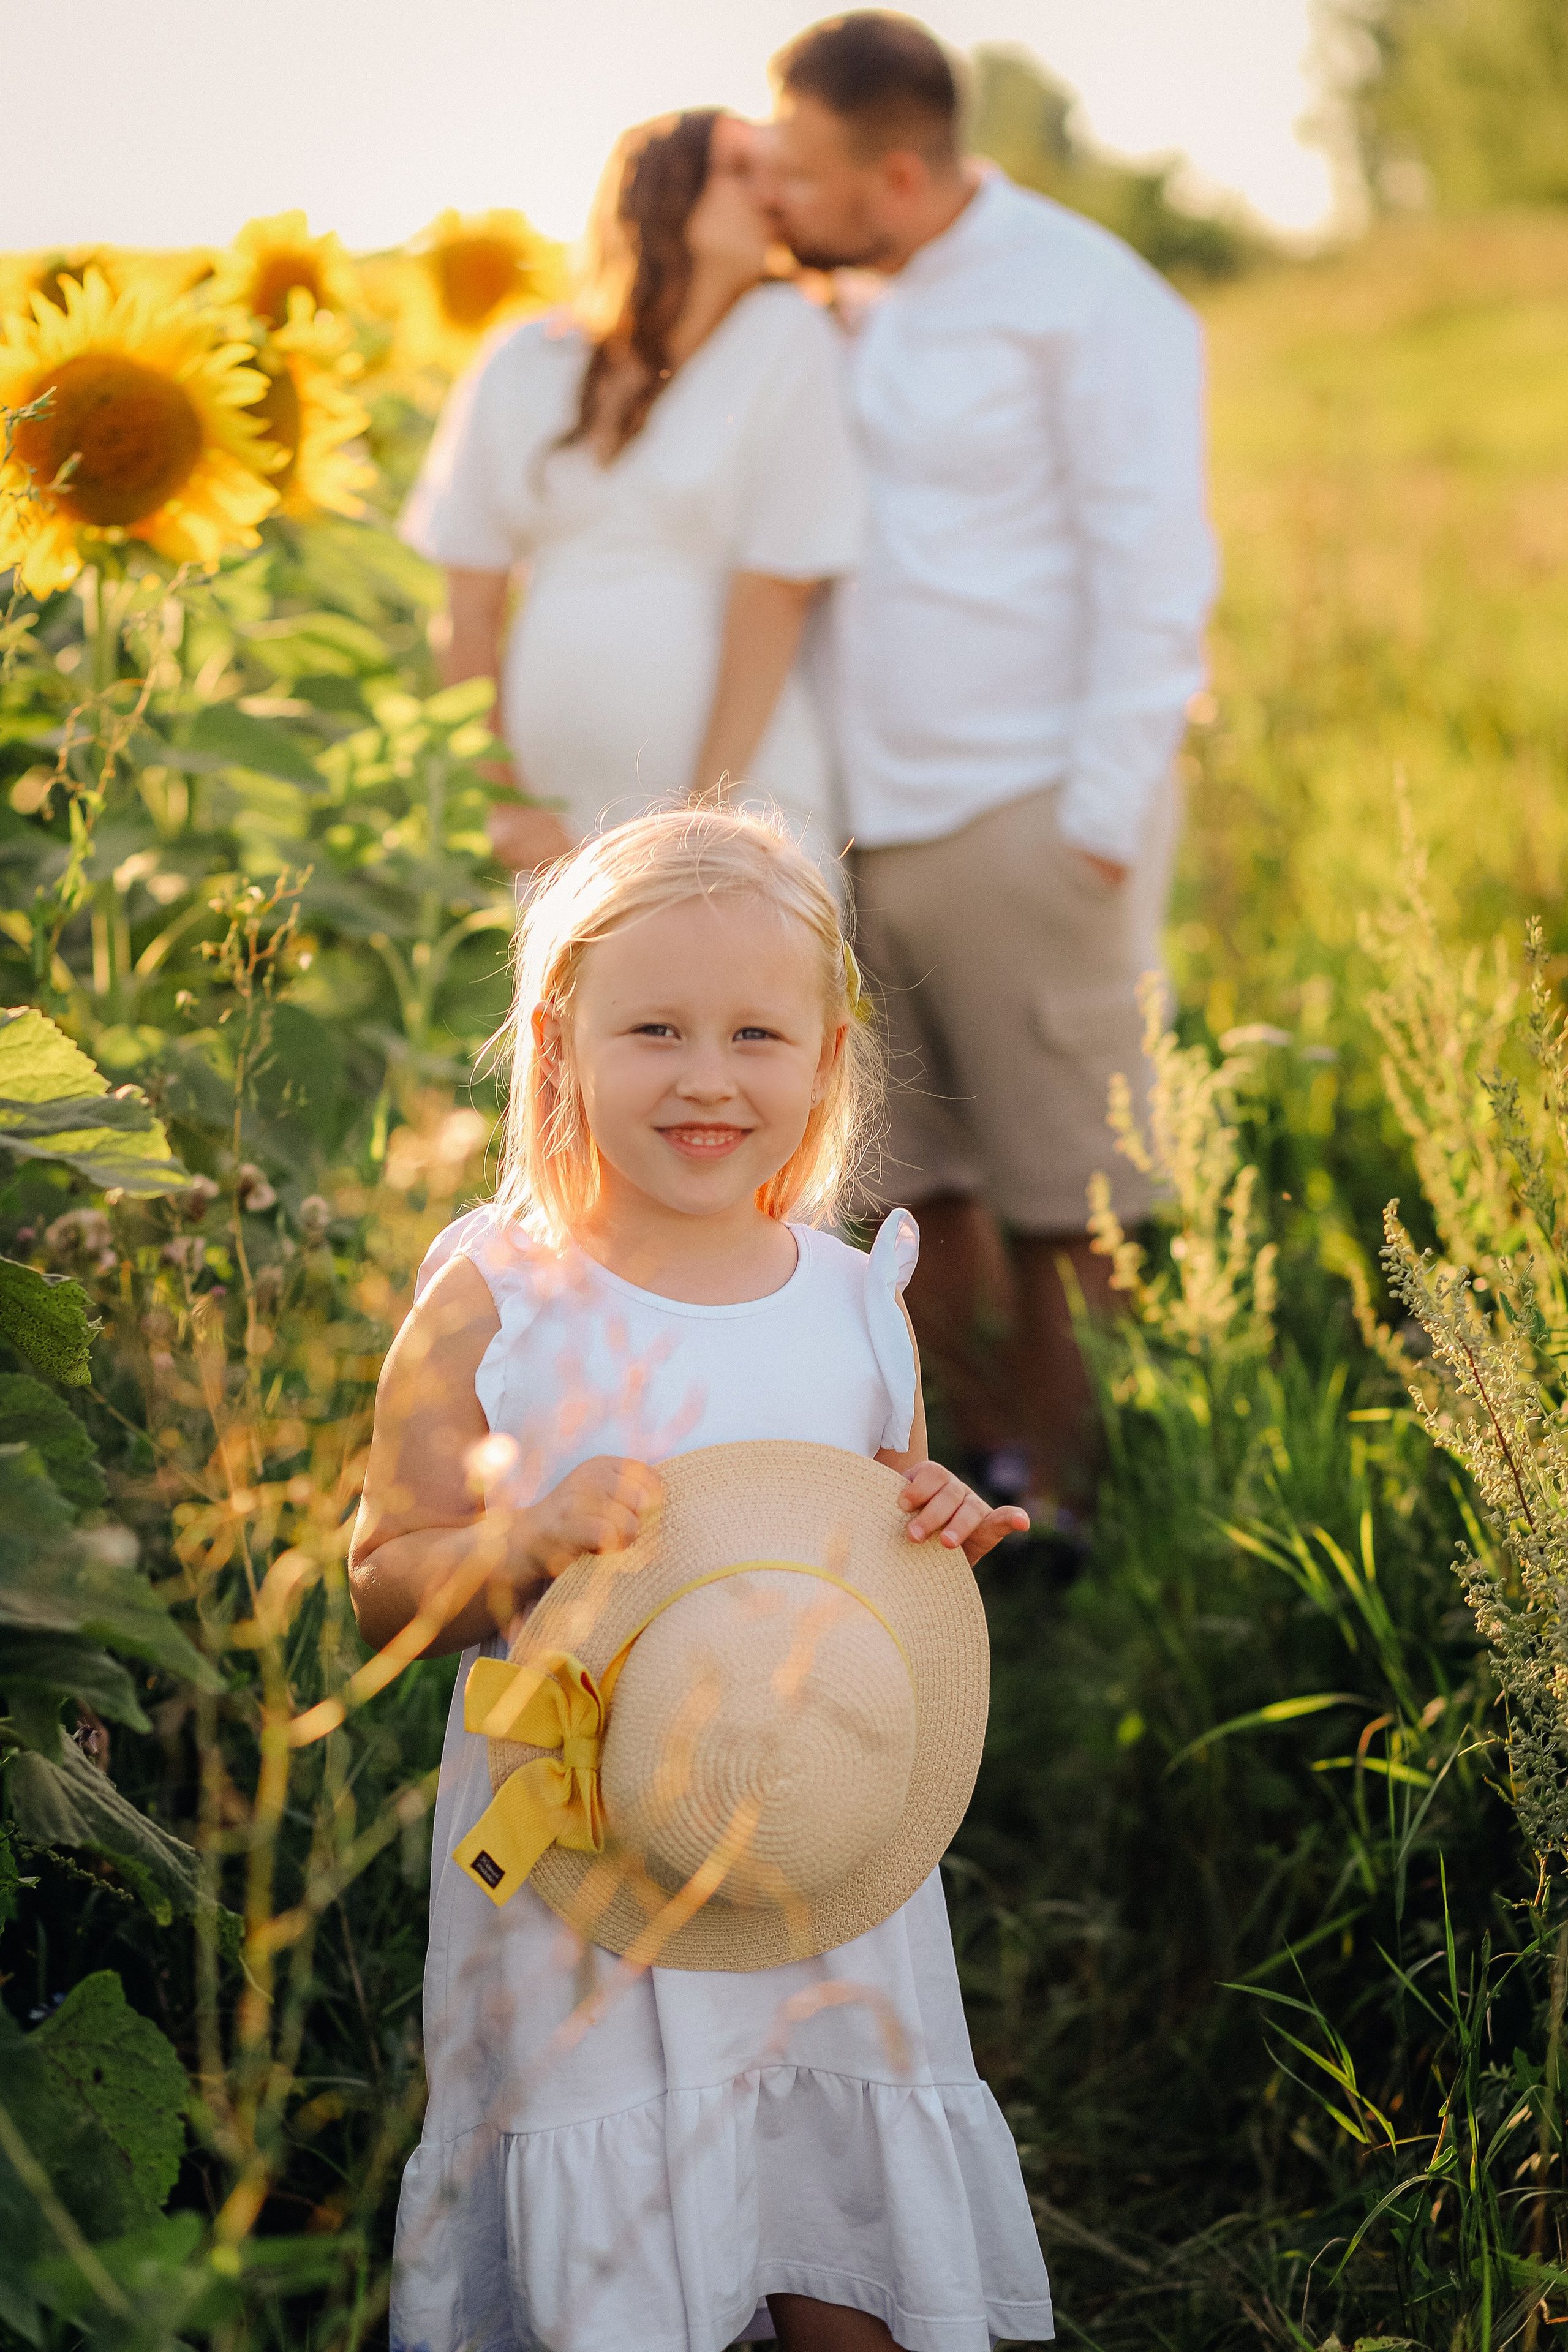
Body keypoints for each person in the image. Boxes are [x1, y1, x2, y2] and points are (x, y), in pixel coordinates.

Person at [352, 806, 1055, 2352]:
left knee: (828, 2180)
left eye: (754, 1032)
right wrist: (519, 1544)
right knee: (614, 2229)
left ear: (822, 1056)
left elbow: (868, 1524)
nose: (706, 1076)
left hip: (815, 1840)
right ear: (558, 1040)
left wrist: (927, 1508)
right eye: (653, 1028)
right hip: (578, 1857)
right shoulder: (499, 1295)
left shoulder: (853, 1300)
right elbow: (376, 1580)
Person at [761, 14, 1219, 1529]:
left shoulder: (1087, 299)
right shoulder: (850, 301)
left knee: (1066, 1187)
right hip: (866, 819)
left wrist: (1095, 820)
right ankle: (967, 1483)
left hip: (1023, 805)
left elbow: (1153, 566)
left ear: (894, 172)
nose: (775, 191)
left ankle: (1080, 1516)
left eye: (802, 168)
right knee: (918, 1183)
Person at [401, 110, 862, 876]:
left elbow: (779, 589)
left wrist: (703, 823)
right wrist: (503, 804)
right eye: (742, 170)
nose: (772, 194)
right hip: (559, 823)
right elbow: (468, 607)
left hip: (740, 806)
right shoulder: (522, 358)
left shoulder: (788, 336)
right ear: (663, 191)